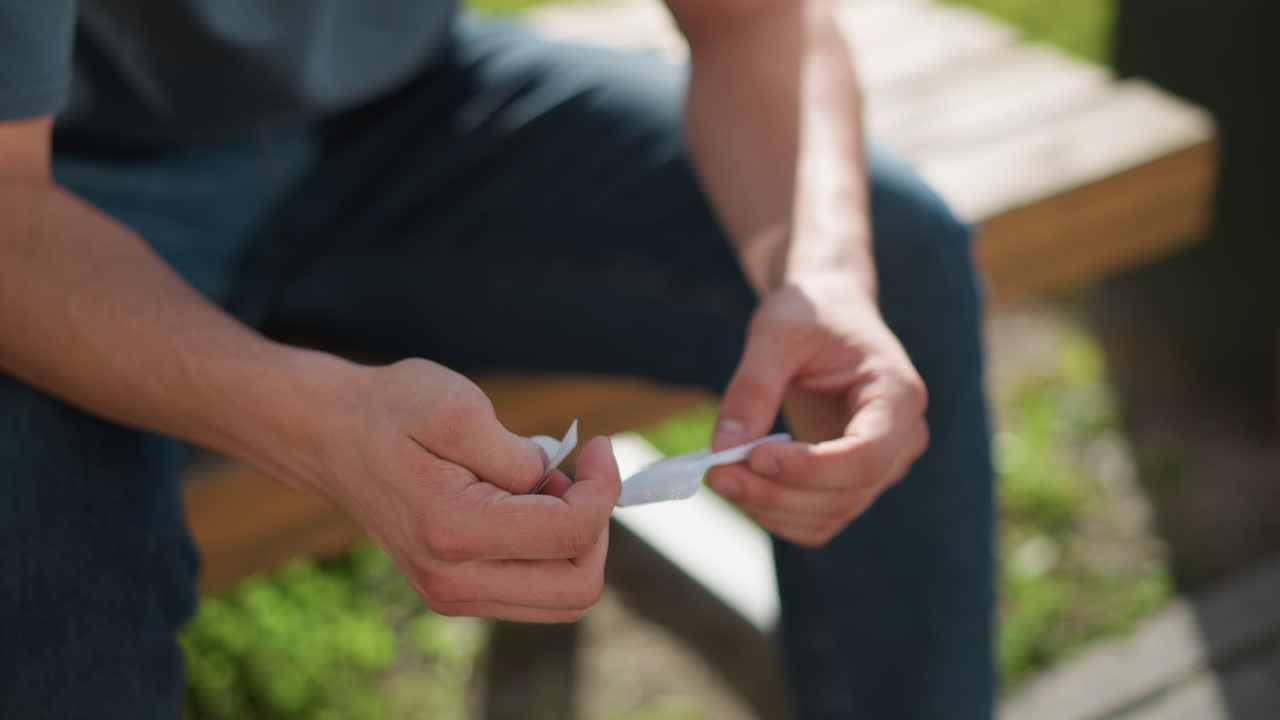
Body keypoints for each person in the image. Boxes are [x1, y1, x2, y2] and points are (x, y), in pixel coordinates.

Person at [0, 0, 994, 718]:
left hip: (401, 114)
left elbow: (755, 22)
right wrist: (316, 423)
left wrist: (821, 278)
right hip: (64, 184)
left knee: (888, 263)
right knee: (40, 555)